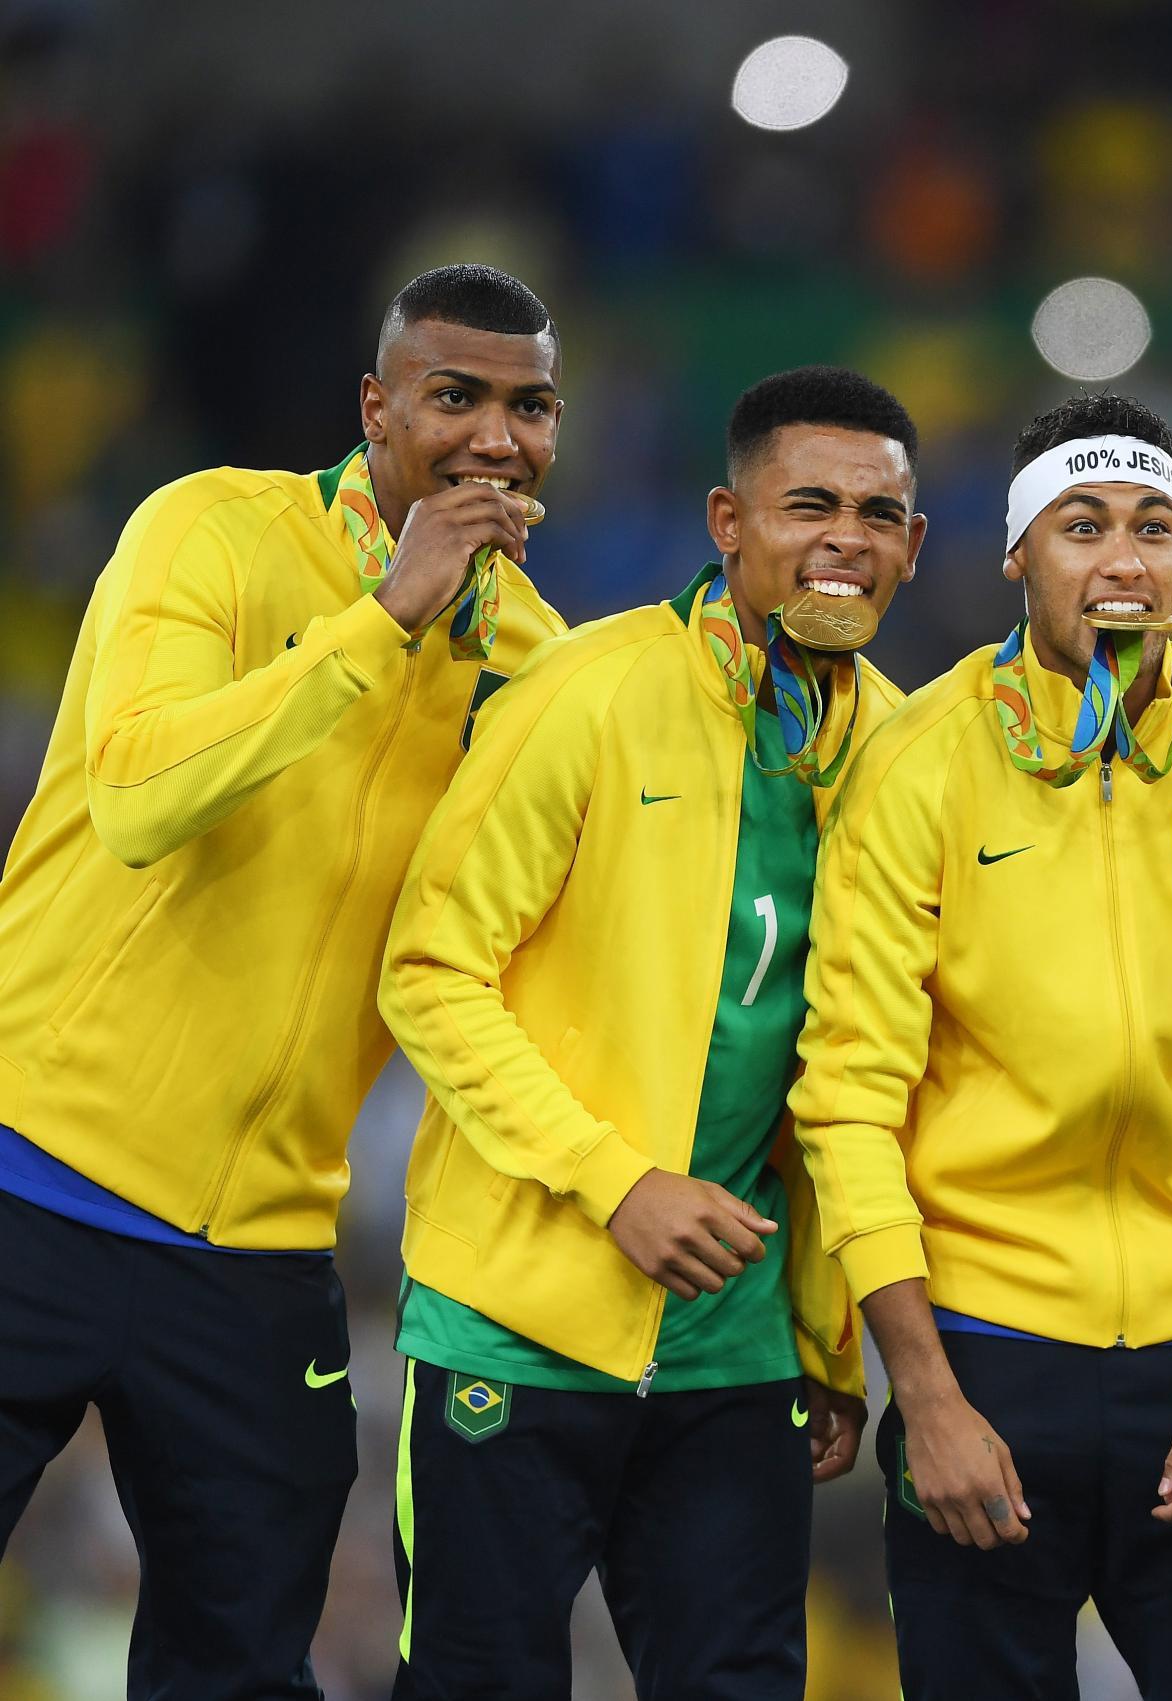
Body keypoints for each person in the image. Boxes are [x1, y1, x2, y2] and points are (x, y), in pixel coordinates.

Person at [0, 262, 565, 1696]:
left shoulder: (535, 670)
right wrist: (382, 623)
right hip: (32, 1173)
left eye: (529, 407)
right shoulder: (211, 530)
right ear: (377, 410)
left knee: (244, 1666)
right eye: (457, 398)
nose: (496, 436)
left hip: (259, 1251)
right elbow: (136, 794)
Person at [790, 391, 1172, 1700]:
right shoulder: (916, 763)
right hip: (986, 1357)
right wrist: (923, 1394)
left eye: (1154, 525)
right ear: (1016, 556)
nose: (1122, 558)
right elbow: (850, 1094)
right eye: (1082, 524)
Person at [379, 367, 921, 1699]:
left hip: (739, 1351)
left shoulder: (911, 753)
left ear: (916, 543)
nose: (845, 537)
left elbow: (867, 1072)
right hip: (514, 1323)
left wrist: (831, 1331)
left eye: (879, 512)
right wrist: (615, 1182)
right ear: (728, 521)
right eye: (810, 504)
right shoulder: (585, 690)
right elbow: (431, 972)